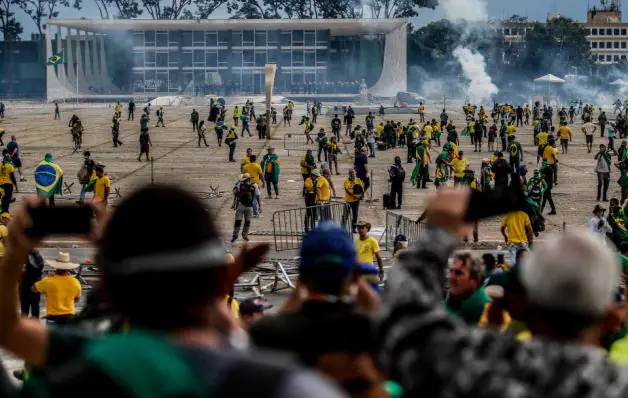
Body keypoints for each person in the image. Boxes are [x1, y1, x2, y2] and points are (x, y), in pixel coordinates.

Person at [0, 185, 341, 397]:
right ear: (223, 282)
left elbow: (8, 330)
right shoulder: (292, 387)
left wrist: (16, 254)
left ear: (108, 288)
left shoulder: (78, 373)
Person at [250, 223, 382, 398]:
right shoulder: (373, 331)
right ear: (354, 275)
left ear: (303, 276)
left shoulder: (268, 334)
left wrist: (293, 299)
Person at [34, 252, 82, 325]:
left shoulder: (48, 281)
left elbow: (33, 288)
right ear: (68, 269)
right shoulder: (75, 282)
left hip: (53, 318)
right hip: (69, 318)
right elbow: (77, 299)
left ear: (56, 267)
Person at [445, 251, 490, 325]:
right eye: (451, 271)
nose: (451, 277)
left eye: (458, 273)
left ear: (476, 279)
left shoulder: (488, 313)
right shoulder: (449, 304)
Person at [20, 250, 44, 319]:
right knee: (34, 307)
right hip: (34, 284)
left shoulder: (27, 257)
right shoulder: (38, 256)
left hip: (27, 284)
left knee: (26, 308)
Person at [232, 174, 255, 242]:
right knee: (238, 221)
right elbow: (235, 192)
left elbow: (256, 195)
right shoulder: (239, 185)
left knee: (247, 222)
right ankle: (235, 235)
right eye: (247, 179)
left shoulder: (253, 186)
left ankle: (244, 235)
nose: (248, 180)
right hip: (242, 205)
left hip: (248, 206)